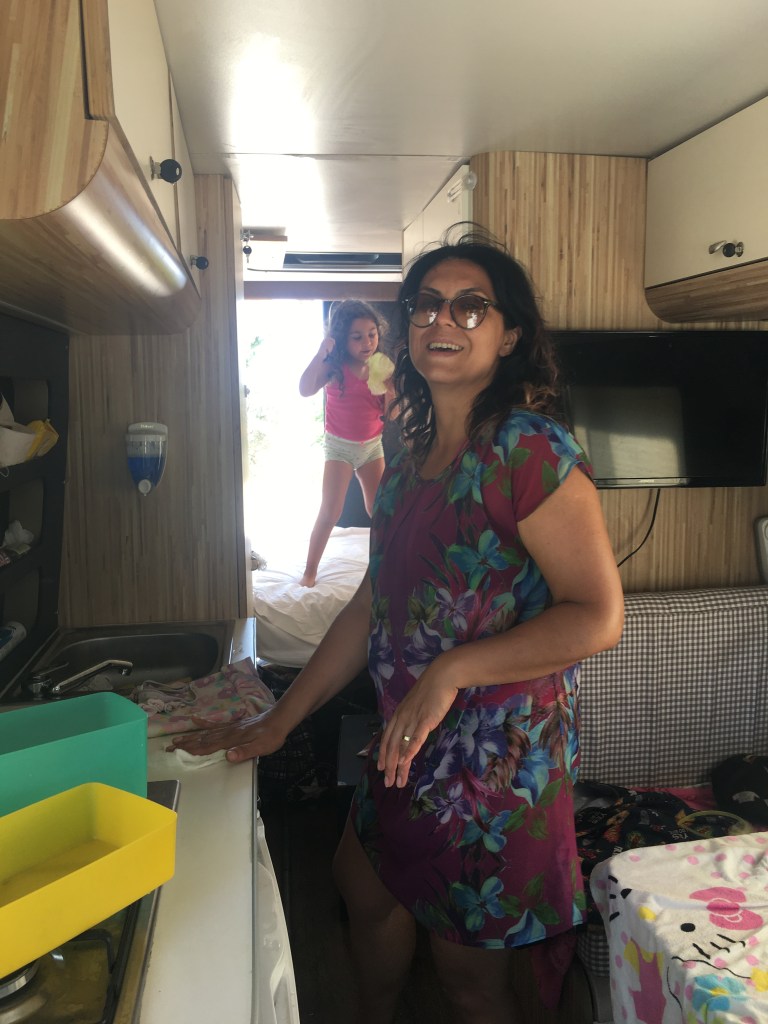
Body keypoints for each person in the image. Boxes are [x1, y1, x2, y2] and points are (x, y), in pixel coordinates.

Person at [172, 225, 624, 1024]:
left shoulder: (529, 451)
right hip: (405, 743)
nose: (441, 320)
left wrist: (451, 669)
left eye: (470, 306)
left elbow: (597, 615)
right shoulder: (409, 453)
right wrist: (280, 719)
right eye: (425, 304)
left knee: (468, 981)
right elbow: (371, 603)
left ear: (509, 334)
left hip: (493, 770)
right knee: (364, 891)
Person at [297, 299, 394, 587]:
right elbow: (305, 389)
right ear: (342, 339)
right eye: (357, 337)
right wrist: (320, 354)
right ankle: (309, 572)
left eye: (372, 334)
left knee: (380, 510)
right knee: (331, 512)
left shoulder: (382, 368)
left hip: (372, 446)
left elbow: (391, 414)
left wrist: (391, 393)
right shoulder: (335, 366)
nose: (367, 342)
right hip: (339, 447)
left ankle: (386, 566)